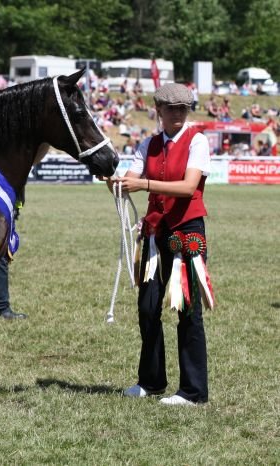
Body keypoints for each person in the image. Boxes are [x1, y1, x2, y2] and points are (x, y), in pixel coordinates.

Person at [106, 83, 213, 406]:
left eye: (183, 108)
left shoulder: (197, 141)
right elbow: (129, 180)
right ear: (159, 110)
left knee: (188, 310)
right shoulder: (148, 145)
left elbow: (189, 186)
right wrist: (113, 180)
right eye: (171, 108)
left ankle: (193, 391)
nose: (177, 114)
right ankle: (151, 381)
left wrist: (143, 184)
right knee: (147, 306)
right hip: (155, 233)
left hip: (187, 231)